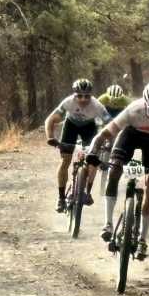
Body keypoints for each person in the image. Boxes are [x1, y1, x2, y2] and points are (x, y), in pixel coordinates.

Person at [85, 80, 149, 260]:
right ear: (145, 104)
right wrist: (93, 153)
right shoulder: (133, 110)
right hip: (130, 135)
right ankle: (108, 223)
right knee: (115, 169)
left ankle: (142, 238)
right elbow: (104, 135)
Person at [44, 78, 108, 212]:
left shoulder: (97, 106)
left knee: (93, 161)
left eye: (87, 96)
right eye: (79, 96)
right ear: (74, 94)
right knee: (65, 161)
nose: (83, 99)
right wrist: (50, 137)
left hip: (89, 128)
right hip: (71, 126)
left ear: (91, 95)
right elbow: (50, 120)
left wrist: (108, 141)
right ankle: (61, 198)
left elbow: (110, 123)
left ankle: (87, 192)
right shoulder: (68, 102)